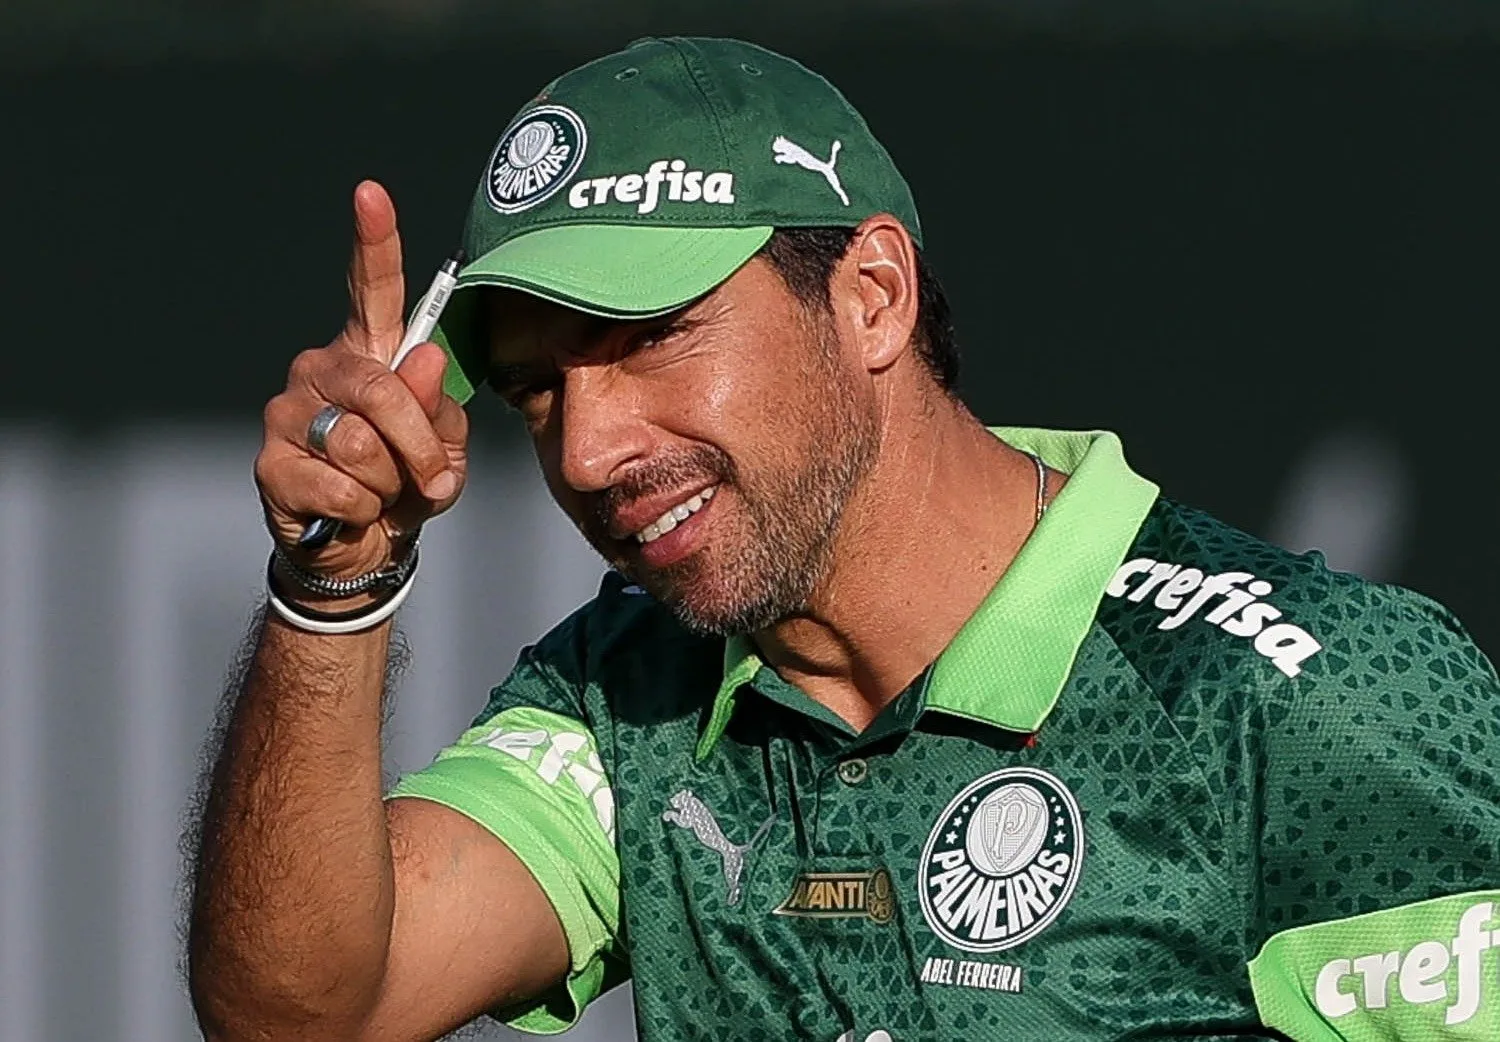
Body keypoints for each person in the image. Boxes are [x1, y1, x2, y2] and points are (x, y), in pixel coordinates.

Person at [187, 36, 1500, 1042]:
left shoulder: (1314, 699)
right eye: (537, 387)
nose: (584, 450)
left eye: (648, 341)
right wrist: (330, 581)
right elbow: (306, 1013)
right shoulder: (621, 696)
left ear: (870, 297)